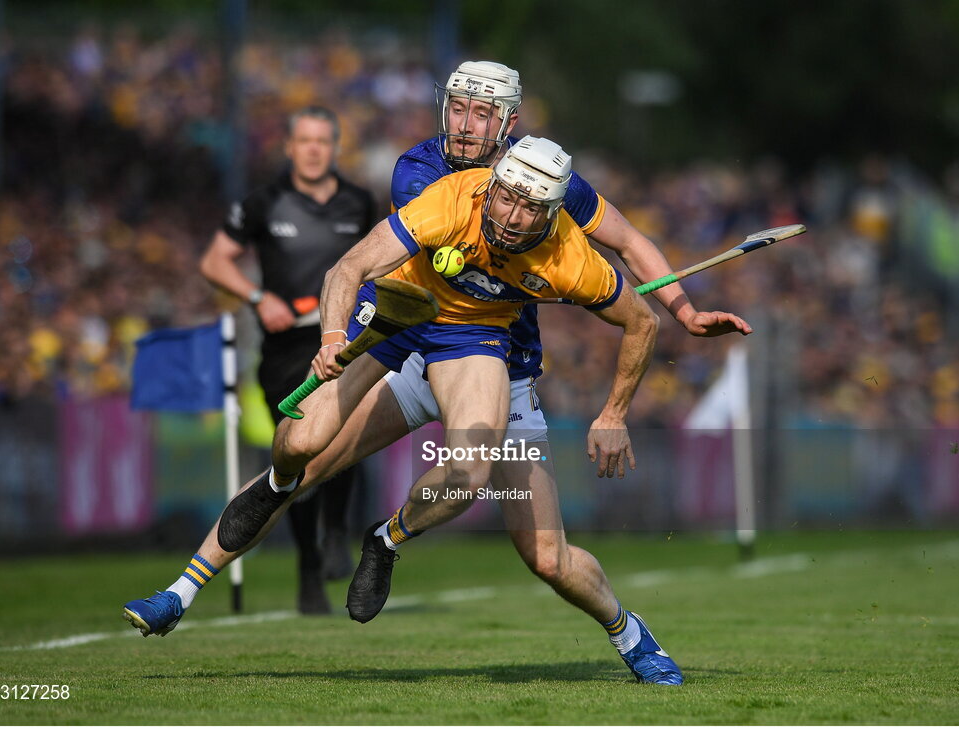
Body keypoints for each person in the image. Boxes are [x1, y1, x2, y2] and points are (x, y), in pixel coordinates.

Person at [123, 62, 748, 685]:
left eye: (482, 113)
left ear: (508, 123)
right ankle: (181, 590)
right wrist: (338, 335)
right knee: (301, 452)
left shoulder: (556, 204)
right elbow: (365, 267)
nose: (466, 124)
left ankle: (623, 631)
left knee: (546, 555)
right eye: (458, 108)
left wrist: (681, 315)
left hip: (489, 352)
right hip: (402, 325)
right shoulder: (427, 178)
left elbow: (632, 251)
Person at [197, 106, 375, 614]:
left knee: (347, 437)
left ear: (335, 147)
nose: (314, 148)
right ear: (290, 147)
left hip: (345, 340)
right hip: (285, 349)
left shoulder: (360, 203)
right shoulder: (263, 202)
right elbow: (214, 261)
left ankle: (338, 533)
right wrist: (257, 298)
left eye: (323, 140)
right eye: (305, 140)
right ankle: (308, 568)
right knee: (294, 453)